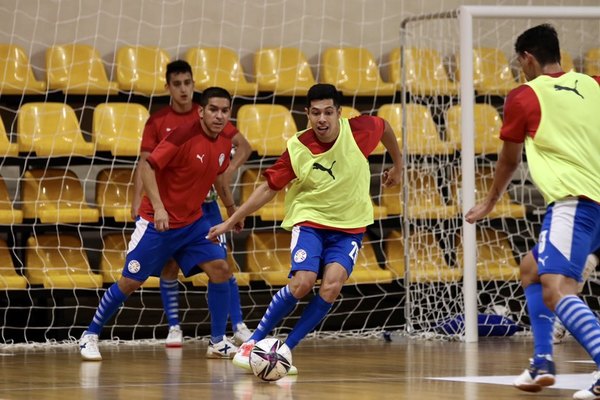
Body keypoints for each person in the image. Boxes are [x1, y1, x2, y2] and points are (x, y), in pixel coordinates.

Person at [207, 83, 403, 374]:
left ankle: (285, 350)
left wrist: (398, 165)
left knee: (332, 285)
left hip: (350, 226)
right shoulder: (298, 147)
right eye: (315, 113)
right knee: (303, 282)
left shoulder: (359, 131)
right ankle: (253, 342)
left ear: (339, 113)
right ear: (306, 114)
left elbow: (385, 127)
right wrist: (229, 221)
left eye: (327, 112)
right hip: (311, 221)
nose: (322, 119)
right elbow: (268, 188)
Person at [464, 24, 600, 399]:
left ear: (527, 58)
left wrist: (490, 200)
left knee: (556, 291)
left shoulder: (524, 95)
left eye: (518, 61)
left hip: (576, 202)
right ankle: (542, 360)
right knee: (531, 269)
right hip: (595, 202)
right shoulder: (594, 84)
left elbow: (510, 159)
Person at [80, 86, 244, 361]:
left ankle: (217, 340)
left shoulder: (225, 141)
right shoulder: (181, 137)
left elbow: (218, 178)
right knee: (130, 282)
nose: (219, 116)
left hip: (193, 224)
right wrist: (158, 208)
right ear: (201, 111)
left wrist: (231, 210)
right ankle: (90, 334)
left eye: (224, 111)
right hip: (159, 223)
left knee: (221, 269)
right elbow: (147, 167)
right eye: (213, 110)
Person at [130, 60, 252, 349]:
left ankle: (237, 325)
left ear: (194, 85)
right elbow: (145, 163)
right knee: (169, 265)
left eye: (188, 83)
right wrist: (137, 199)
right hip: (172, 206)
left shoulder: (214, 113)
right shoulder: (158, 122)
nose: (184, 89)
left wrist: (227, 170)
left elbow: (243, 146)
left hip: (206, 206)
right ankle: (174, 327)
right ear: (168, 87)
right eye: (177, 84)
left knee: (222, 262)